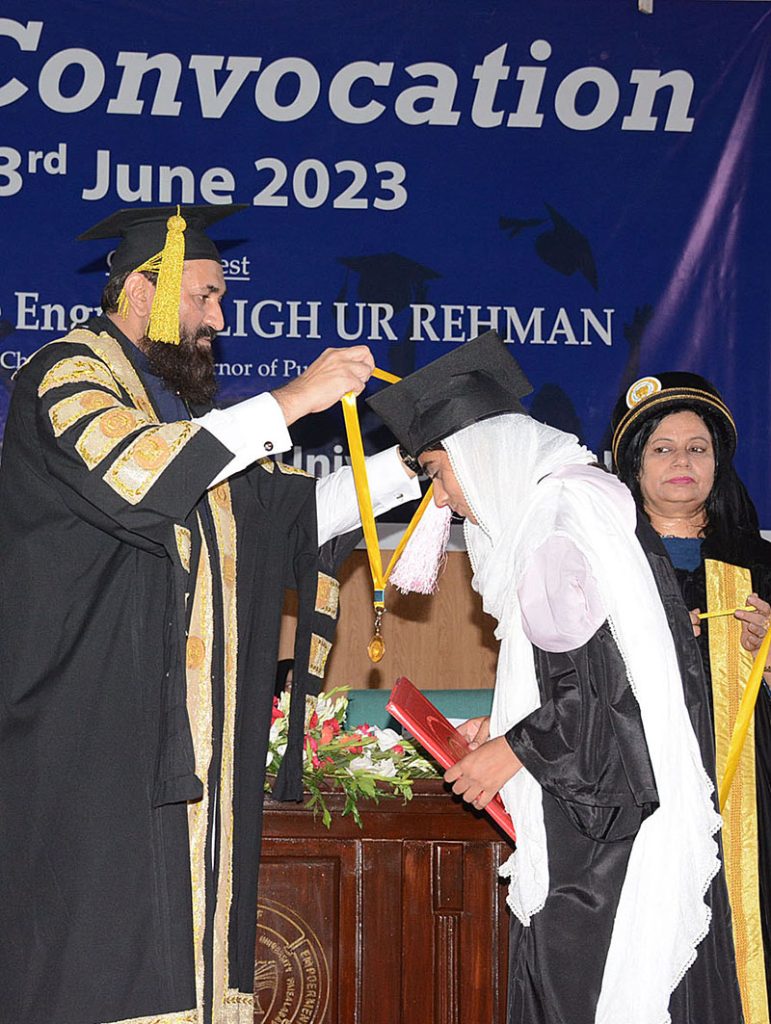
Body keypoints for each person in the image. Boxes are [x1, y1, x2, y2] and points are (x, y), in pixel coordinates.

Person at [0, 204, 420, 1024]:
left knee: (171, 953)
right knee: (93, 956)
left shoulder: (178, 423)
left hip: (162, 736)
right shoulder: (62, 372)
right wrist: (295, 399)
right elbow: (140, 475)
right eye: (206, 296)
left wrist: (416, 461)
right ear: (142, 291)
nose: (218, 321)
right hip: (82, 723)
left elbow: (285, 515)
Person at [368, 331, 744, 1024]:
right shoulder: (579, 505)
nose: (442, 497)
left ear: (480, 456)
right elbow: (586, 671)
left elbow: (601, 689)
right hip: (618, 810)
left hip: (604, 844)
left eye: (439, 472)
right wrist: (506, 724)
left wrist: (508, 751)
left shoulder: (556, 528)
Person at [612, 372, 771, 1020]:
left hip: (742, 799)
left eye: (697, 448)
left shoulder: (756, 565)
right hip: (633, 783)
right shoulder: (603, 559)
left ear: (718, 463)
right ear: (633, 464)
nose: (681, 461)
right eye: (662, 448)